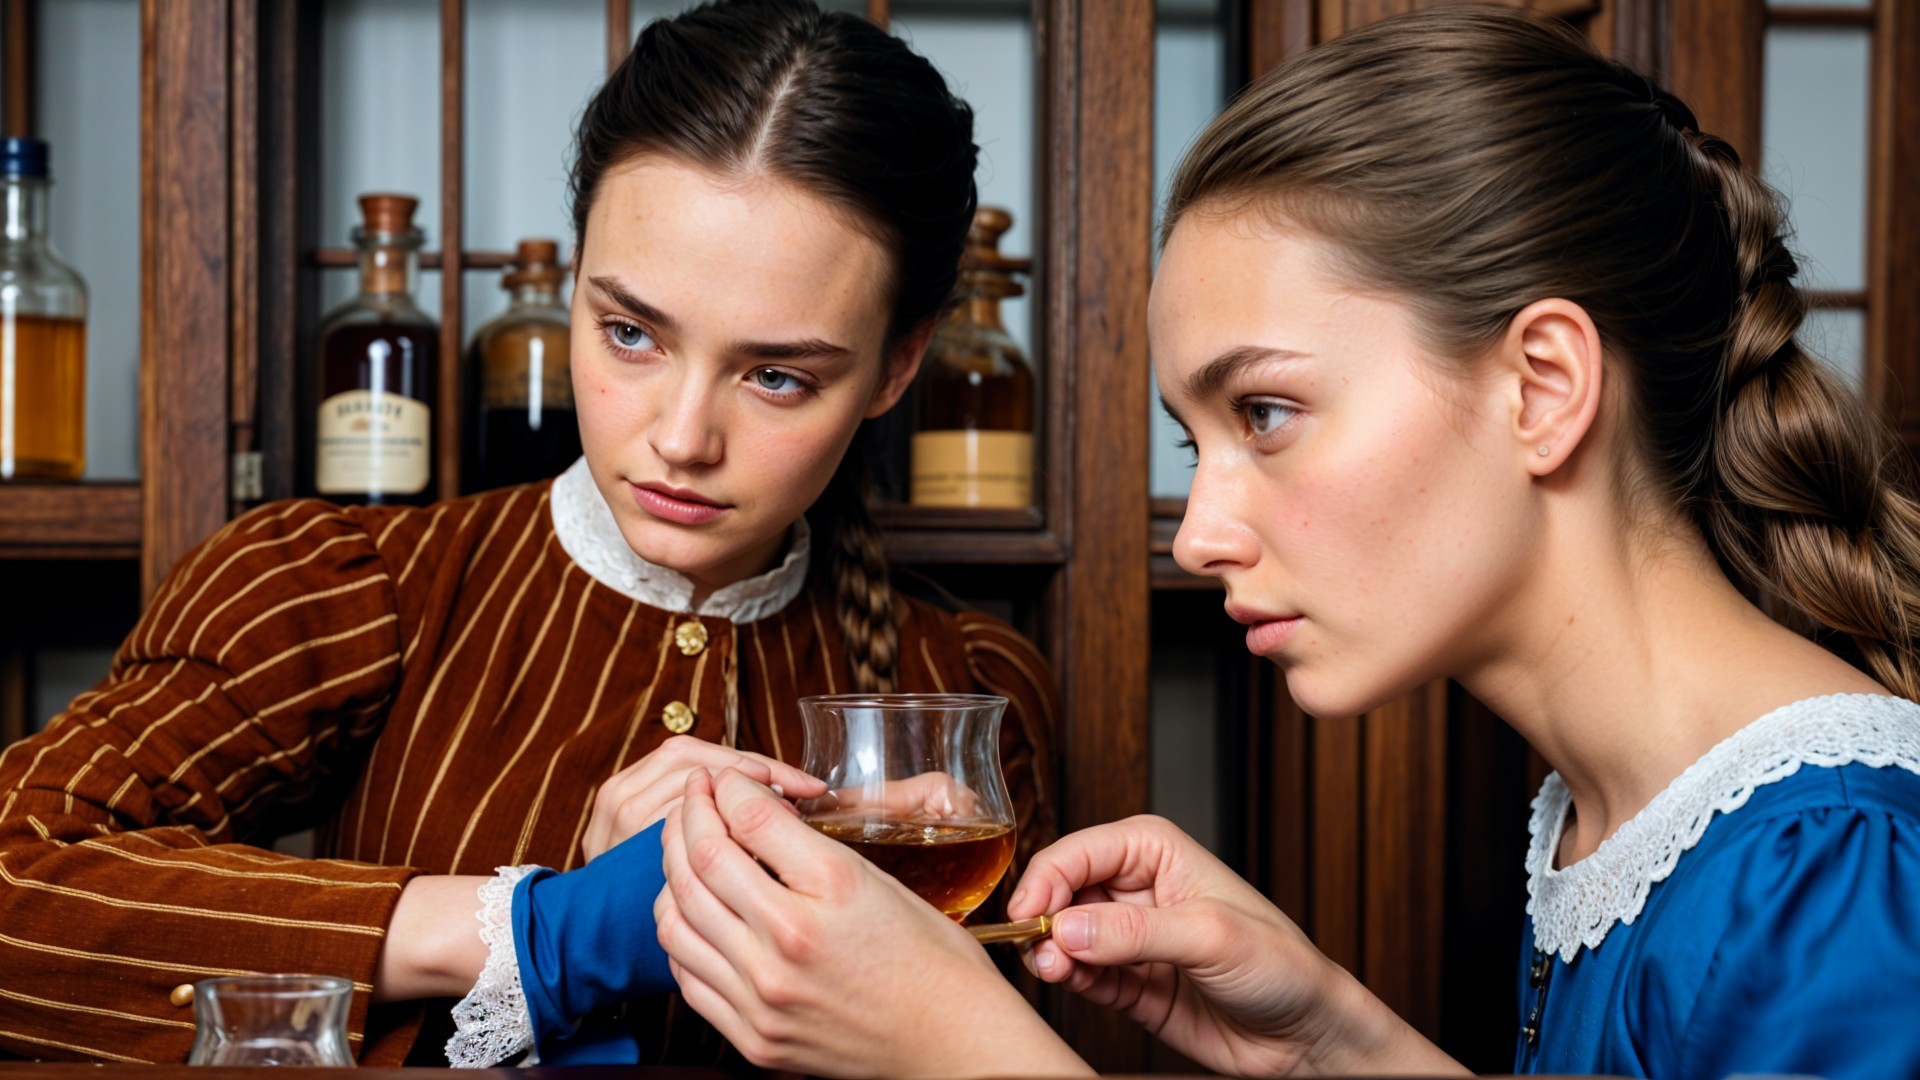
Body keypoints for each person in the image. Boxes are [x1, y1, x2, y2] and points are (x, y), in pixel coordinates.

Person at [652, 7, 1920, 1079]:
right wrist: (1332, 1040)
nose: (1201, 536)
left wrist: (973, 1052)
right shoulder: (1622, 821)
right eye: (1197, 442)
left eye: (1266, 413)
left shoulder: (1830, 875)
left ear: (1542, 387)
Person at [0, 0, 1056, 1066]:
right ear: (575, 280)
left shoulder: (968, 698)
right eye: (630, 332)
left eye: (777, 375)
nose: (682, 440)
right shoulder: (350, 592)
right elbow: (18, 880)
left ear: (897, 366)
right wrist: (534, 932)